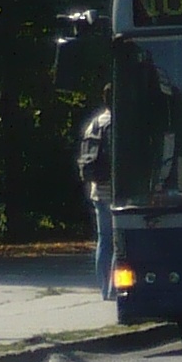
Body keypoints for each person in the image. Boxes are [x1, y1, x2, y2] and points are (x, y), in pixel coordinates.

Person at [77, 84, 114, 300]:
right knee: (119, 241)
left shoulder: (95, 123)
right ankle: (115, 289)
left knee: (104, 240)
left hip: (98, 190)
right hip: (117, 190)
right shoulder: (118, 123)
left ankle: (103, 289)